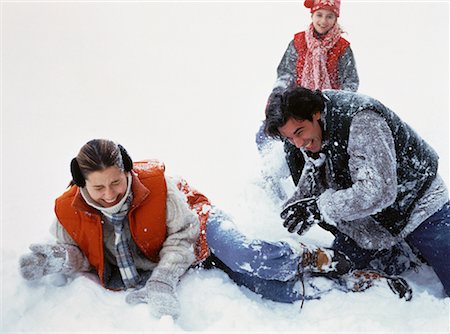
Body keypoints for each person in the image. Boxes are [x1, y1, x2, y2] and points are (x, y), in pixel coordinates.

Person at [19, 139, 357, 319]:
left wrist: (163, 280)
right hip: (186, 257)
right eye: (98, 189)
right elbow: (85, 252)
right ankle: (339, 289)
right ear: (81, 186)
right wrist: (58, 258)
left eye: (117, 183)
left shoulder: (157, 187)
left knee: (248, 257)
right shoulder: (69, 210)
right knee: (272, 291)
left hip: (200, 224)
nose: (110, 195)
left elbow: (183, 234)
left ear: (126, 173)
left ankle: (311, 257)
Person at [264, 86, 450, 297]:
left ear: (315, 114)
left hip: (419, 207)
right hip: (370, 223)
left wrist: (319, 208)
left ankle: (411, 250)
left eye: (299, 133)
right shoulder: (310, 132)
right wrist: (300, 202)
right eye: (289, 139)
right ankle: (396, 254)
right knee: (338, 273)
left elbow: (378, 191)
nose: (298, 143)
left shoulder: (361, 121)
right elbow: (317, 166)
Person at [256, 0, 359, 200]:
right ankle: (276, 189)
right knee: (267, 136)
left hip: (324, 109)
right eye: (319, 15)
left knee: (312, 145)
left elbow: (350, 82)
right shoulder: (298, 42)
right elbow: (285, 74)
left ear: (336, 18)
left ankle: (317, 192)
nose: (324, 21)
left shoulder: (342, 48)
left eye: (330, 16)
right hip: (294, 106)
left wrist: (335, 104)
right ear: (312, 15)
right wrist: (276, 97)